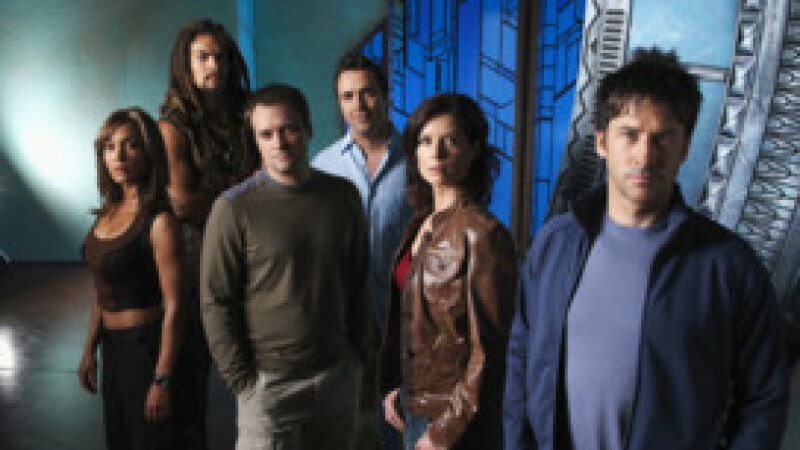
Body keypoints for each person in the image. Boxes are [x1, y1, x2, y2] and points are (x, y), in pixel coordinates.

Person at [504, 48, 789, 450]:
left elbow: (764, 399)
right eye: (630, 134)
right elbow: (521, 358)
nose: (645, 156)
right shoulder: (555, 243)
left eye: (663, 138)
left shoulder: (728, 266)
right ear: (602, 142)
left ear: (684, 147)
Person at [201, 83, 371, 450]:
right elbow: (216, 302)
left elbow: (359, 280)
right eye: (266, 134)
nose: (279, 142)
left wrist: (358, 358)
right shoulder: (233, 209)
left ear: (308, 128)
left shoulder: (343, 196)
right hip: (269, 385)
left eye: (288, 129)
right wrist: (243, 383)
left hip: (336, 377)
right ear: (256, 140)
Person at [379, 93, 517, 450]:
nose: (436, 154)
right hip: (414, 410)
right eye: (425, 141)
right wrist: (402, 392)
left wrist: (444, 432)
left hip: (456, 423)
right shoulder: (420, 224)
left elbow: (490, 352)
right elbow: (421, 328)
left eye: (450, 141)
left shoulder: (483, 234)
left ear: (473, 149)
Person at [158, 19, 256, 448]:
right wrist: (240, 190)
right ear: (187, 63)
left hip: (250, 249)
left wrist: (219, 192)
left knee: (255, 365)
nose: (213, 65)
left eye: (220, 56)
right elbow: (182, 202)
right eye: (203, 57)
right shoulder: (173, 125)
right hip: (198, 255)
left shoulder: (246, 112)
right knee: (191, 370)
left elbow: (268, 180)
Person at [313, 52, 412, 450]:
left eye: (368, 93)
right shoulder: (323, 167)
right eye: (348, 96)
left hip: (404, 326)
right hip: (343, 329)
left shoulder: (419, 163)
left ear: (386, 95)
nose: (359, 105)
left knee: (401, 430)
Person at [77, 108, 185, 450]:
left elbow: (176, 306)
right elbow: (100, 291)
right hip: (112, 349)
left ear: (148, 152)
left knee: (150, 441)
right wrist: (89, 350)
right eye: (110, 147)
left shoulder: (159, 222)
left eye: (131, 145)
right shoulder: (106, 214)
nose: (119, 156)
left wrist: (162, 379)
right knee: (119, 440)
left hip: (145, 349)